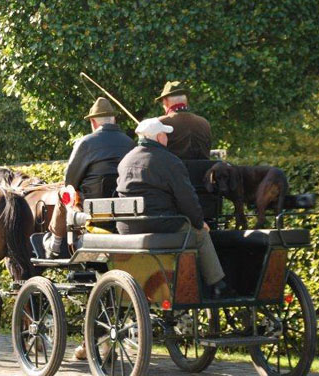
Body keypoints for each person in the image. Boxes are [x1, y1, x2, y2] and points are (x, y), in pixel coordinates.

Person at [116, 118, 227, 298]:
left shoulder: (125, 160)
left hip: (128, 226)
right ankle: (217, 284)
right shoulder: (169, 161)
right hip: (160, 224)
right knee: (200, 235)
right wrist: (199, 223)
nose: (167, 138)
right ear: (159, 137)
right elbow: (187, 199)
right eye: (166, 135)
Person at [44, 97, 134, 257]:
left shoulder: (86, 143)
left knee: (64, 193)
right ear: (114, 119)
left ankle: (55, 243)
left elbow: (70, 182)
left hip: (93, 211)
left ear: (93, 122)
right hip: (125, 210)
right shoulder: (130, 143)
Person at [156, 81, 211, 160]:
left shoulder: (160, 123)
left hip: (173, 171)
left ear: (165, 101)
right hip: (203, 172)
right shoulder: (204, 123)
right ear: (186, 101)